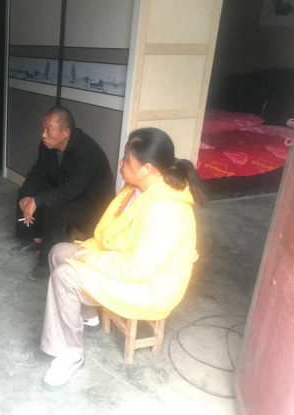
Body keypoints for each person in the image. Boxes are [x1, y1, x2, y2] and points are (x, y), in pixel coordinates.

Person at [39, 127, 207, 390]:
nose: (120, 163)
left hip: (150, 285)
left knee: (64, 276)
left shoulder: (166, 210)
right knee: (58, 252)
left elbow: (138, 268)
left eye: (127, 160)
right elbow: (116, 235)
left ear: (146, 168)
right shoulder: (140, 188)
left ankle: (70, 354)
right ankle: (88, 316)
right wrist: (92, 254)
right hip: (127, 261)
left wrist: (91, 260)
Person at [9, 107, 115, 281]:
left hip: (91, 201)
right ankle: (35, 240)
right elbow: (38, 173)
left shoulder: (88, 151)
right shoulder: (47, 146)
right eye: (43, 128)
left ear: (66, 132)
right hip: (68, 189)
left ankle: (45, 263)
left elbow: (73, 189)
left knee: (54, 211)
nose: (43, 134)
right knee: (26, 193)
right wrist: (27, 195)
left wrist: (38, 200)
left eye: (48, 129)